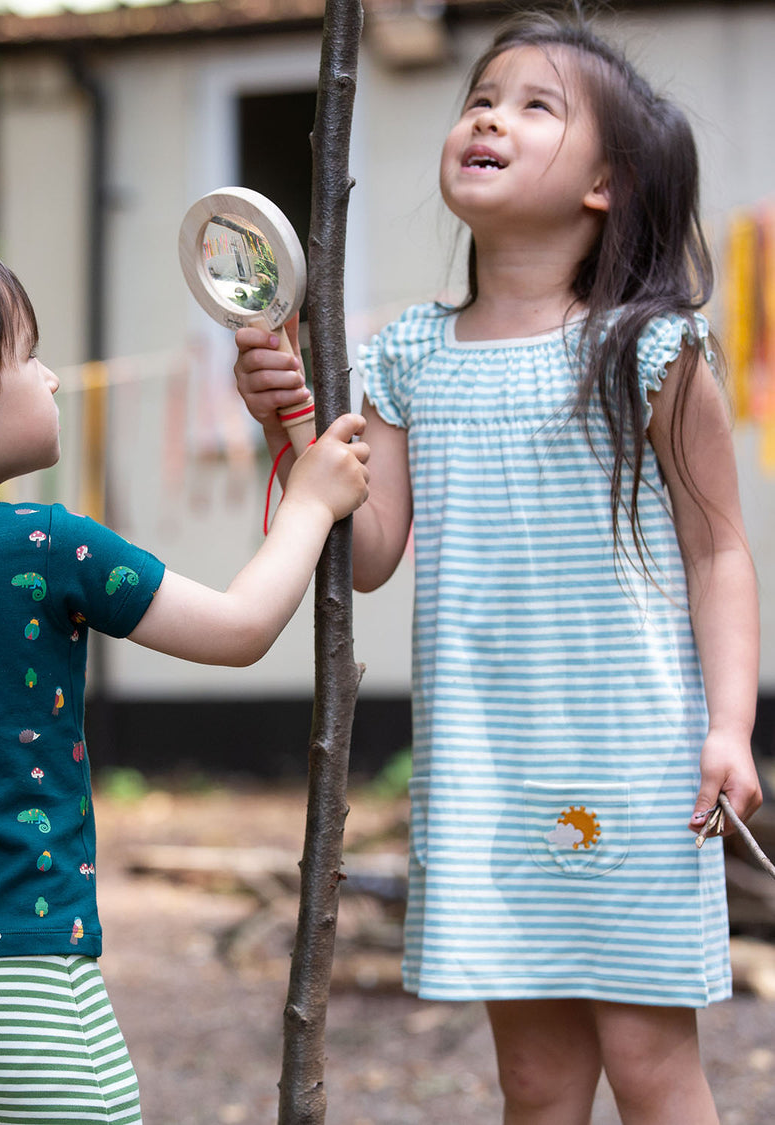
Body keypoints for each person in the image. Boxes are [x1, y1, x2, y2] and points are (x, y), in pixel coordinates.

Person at [234, 10, 763, 1124]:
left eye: (535, 106)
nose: (488, 114)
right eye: (482, 97)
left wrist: (729, 724)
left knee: (652, 1067)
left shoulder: (649, 347)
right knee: (535, 1081)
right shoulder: (407, 357)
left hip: (633, 766)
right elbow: (370, 555)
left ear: (606, 185)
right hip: (486, 774)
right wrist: (291, 425)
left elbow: (720, 550)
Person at [0, 231, 369, 1124]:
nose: (55, 377)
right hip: (24, 976)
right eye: (30, 357)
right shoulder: (45, 545)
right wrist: (310, 502)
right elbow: (239, 629)